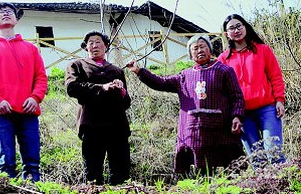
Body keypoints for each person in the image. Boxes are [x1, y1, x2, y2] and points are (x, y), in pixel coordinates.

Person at [127, 35, 245, 175]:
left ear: (210, 49)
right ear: (190, 54)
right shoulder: (184, 75)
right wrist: (139, 71)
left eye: (203, 46)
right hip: (195, 131)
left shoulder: (224, 71)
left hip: (221, 128)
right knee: (202, 170)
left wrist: (237, 116)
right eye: (195, 48)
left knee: (231, 168)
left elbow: (237, 96)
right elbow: (161, 83)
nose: (199, 50)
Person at [0, 2, 48, 180]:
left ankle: (33, 193)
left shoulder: (31, 49)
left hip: (28, 110)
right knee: (6, 163)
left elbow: (41, 77)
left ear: (16, 19)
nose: (6, 13)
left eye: (10, 11)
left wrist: (35, 98)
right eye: (0, 12)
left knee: (32, 163)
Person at [217, 14, 286, 165]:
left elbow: (276, 77)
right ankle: (264, 182)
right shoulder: (223, 59)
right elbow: (221, 91)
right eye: (232, 28)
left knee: (274, 151)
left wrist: (280, 100)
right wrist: (232, 115)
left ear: (246, 27)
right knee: (257, 159)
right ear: (226, 34)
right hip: (242, 114)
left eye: (239, 26)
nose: (236, 30)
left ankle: (284, 179)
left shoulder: (263, 50)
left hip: (267, 108)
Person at [65, 31, 131, 184]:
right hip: (91, 125)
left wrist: (122, 91)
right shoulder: (77, 66)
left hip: (117, 126)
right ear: (86, 47)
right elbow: (72, 88)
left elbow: (126, 103)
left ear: (106, 46)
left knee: (121, 173)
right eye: (90, 43)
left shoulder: (117, 71)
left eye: (98, 42)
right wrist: (102, 88)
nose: (94, 45)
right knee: (93, 175)